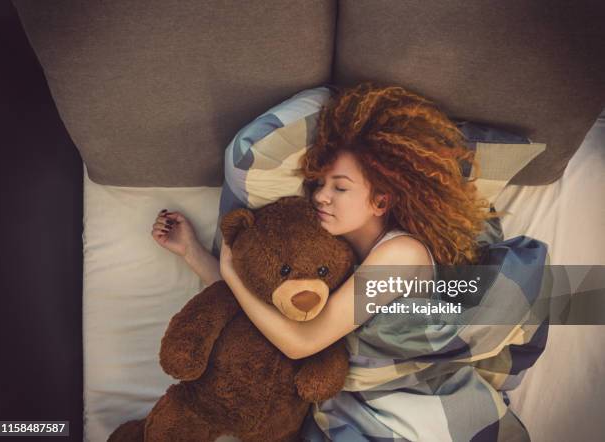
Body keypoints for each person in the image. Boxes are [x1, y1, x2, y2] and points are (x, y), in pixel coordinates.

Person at [150, 82, 497, 439]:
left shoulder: (400, 255)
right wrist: (191, 251)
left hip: (407, 403)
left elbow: (300, 341)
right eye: (319, 184)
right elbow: (269, 308)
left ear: (380, 201)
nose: (320, 197)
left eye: (340, 187)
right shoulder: (340, 252)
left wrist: (228, 269)